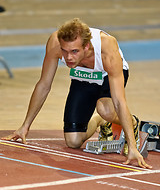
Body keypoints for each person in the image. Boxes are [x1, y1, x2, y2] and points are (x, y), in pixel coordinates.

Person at [2, 18, 152, 169]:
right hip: (83, 76)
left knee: (105, 108)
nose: (68, 58)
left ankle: (132, 122)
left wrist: (132, 146)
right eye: (64, 51)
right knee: (73, 141)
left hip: (107, 74)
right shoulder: (55, 42)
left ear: (86, 46)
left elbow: (119, 101)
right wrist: (25, 126)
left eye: (74, 51)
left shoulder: (107, 48)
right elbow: (44, 85)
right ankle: (100, 121)